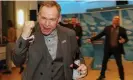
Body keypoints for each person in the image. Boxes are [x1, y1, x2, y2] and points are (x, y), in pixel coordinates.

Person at [13, 1, 87, 80]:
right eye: (44, 18)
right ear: (38, 17)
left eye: (52, 19)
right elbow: (17, 62)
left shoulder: (69, 34)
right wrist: (24, 36)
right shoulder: (30, 33)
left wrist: (82, 66)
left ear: (59, 19)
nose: (47, 24)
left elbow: (77, 56)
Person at [88, 16, 128, 80]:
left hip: (117, 49)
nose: (116, 20)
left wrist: (123, 40)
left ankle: (122, 78)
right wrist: (91, 39)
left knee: (119, 64)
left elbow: (126, 39)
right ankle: (102, 76)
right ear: (112, 20)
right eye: (115, 19)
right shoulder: (107, 28)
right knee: (104, 62)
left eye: (117, 19)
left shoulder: (122, 29)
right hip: (108, 49)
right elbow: (100, 35)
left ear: (119, 21)